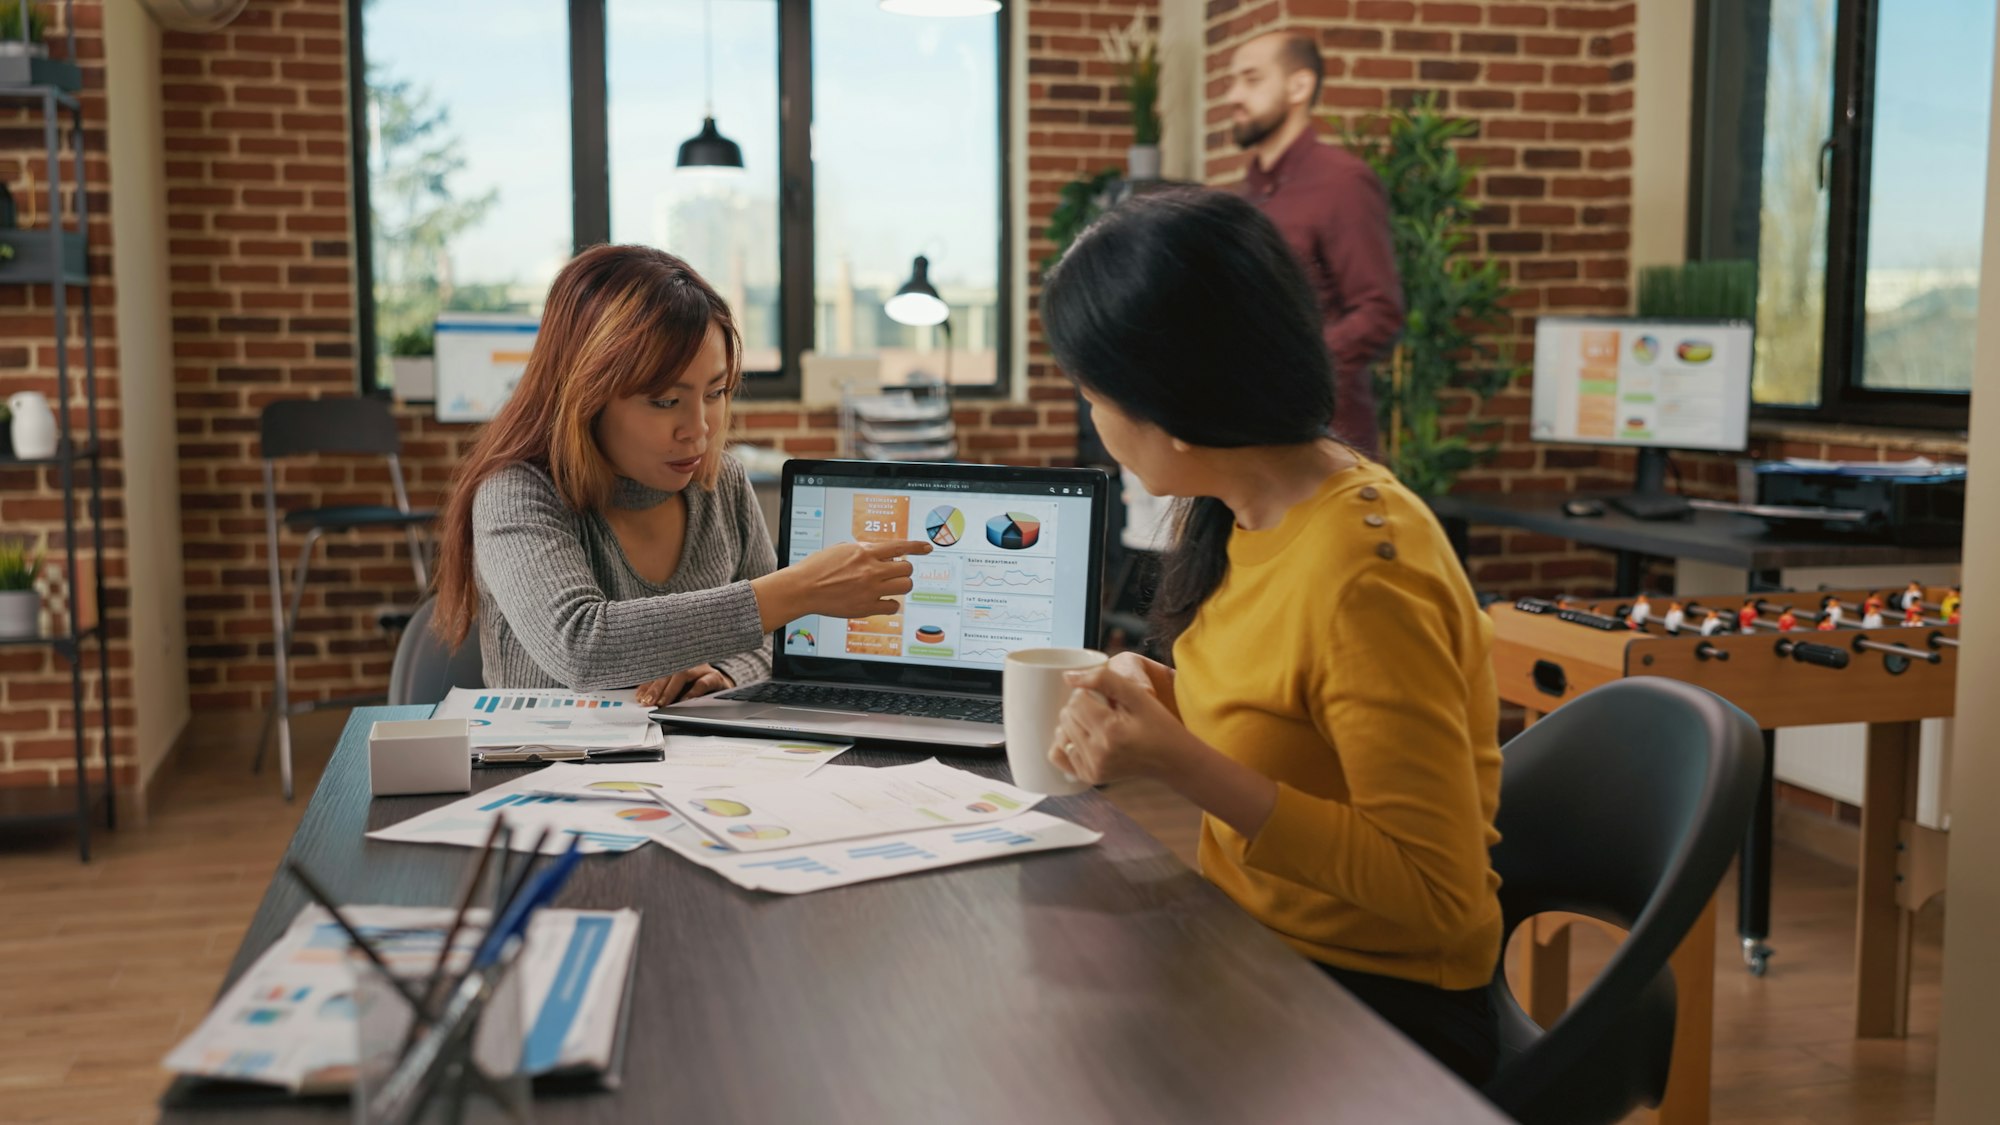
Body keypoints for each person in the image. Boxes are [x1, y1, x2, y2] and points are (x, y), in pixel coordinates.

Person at [1038, 188, 1500, 1084]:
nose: (1093, 421)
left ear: (1167, 408)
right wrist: (1163, 701)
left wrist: (1177, 760)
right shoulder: (1240, 508)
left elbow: (1436, 893)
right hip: (1253, 941)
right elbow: (1288, 725)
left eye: (1092, 394)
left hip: (1382, 1008)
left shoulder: (1367, 570)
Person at [431, 244, 930, 703]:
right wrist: (797, 590)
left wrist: (726, 672)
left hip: (704, 778)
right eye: (666, 401)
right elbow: (581, 646)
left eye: (714, 393)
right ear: (586, 396)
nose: (699, 430)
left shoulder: (724, 484)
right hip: (547, 781)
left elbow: (773, 641)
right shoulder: (516, 494)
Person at [1225, 31, 1404, 457]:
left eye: (1251, 80)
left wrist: (1291, 367)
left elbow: (1379, 311)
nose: (1233, 95)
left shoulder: (1342, 181)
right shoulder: (1244, 197)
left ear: (1299, 87)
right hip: (1245, 435)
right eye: (1232, 82)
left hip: (1321, 441)